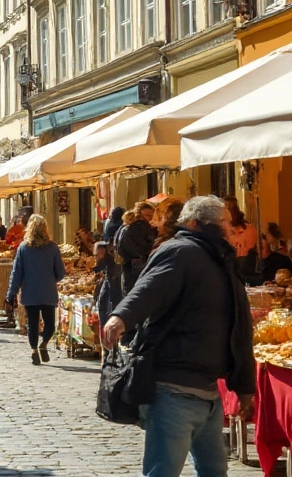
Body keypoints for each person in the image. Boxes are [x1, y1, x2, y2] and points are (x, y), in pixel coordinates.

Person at [101, 196, 256, 477]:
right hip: (173, 389)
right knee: (163, 472)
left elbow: (240, 325)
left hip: (209, 391)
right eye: (223, 223)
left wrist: (244, 387)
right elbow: (148, 288)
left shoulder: (220, 258)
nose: (230, 229)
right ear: (196, 224)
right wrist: (121, 317)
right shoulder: (180, 252)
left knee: (215, 471)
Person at [6, 215, 66, 365]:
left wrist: (11, 294)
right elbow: (61, 272)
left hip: (30, 292)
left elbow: (16, 273)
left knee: (32, 324)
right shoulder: (52, 247)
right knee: (50, 325)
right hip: (47, 292)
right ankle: (43, 344)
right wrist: (51, 280)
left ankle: (35, 349)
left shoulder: (23, 248)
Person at [116, 201, 156, 296]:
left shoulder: (125, 225)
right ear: (140, 214)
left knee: (128, 294)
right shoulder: (141, 226)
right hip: (137, 264)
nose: (150, 219)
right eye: (148, 215)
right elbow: (146, 245)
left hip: (126, 263)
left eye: (151, 216)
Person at [93, 241, 122, 327]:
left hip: (114, 284)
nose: (95, 258)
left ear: (102, 252)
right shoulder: (111, 259)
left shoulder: (110, 262)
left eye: (96, 255)